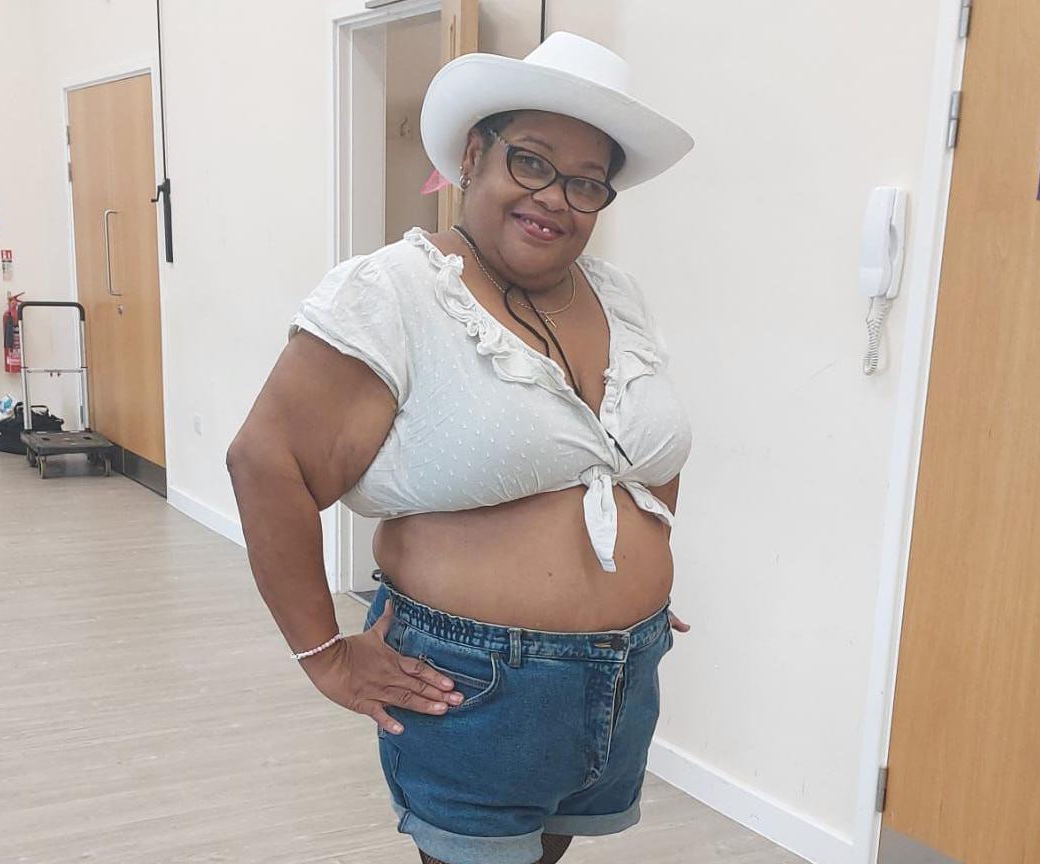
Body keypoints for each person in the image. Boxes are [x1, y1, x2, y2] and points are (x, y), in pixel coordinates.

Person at [227, 31, 695, 864]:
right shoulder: (396, 292)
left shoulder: (619, 298)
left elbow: (646, 455)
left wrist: (638, 571)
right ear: (473, 155)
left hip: (625, 676)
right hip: (474, 687)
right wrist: (325, 657)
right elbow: (267, 463)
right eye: (532, 161)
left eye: (588, 183)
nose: (557, 197)